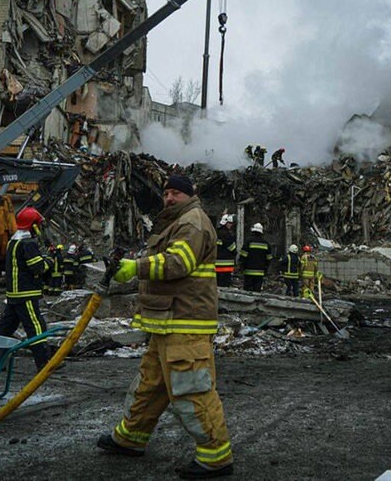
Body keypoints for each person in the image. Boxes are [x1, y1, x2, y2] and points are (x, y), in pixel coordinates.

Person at [97, 175, 233, 479]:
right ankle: (130, 439)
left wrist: (136, 268)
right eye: (167, 193)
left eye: (176, 193)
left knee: (192, 390)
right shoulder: (175, 222)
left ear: (190, 195)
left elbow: (177, 263)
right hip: (166, 322)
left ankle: (216, 457)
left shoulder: (193, 222)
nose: (169, 197)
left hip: (185, 323)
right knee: (150, 385)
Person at [0, 207, 52, 371]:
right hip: (26, 293)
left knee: (4, 328)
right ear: (33, 226)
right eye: (38, 226)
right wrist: (49, 261)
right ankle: (44, 363)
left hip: (14, 293)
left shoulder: (14, 241)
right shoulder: (28, 243)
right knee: (36, 326)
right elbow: (38, 267)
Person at [240, 223, 271, 292]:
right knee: (257, 291)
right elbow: (269, 258)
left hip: (248, 271)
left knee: (247, 292)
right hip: (260, 272)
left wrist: (242, 266)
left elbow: (243, 255)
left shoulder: (248, 241)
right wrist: (265, 268)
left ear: (253, 231)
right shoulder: (266, 243)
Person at [215, 214, 237, 287]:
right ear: (226, 223)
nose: (231, 225)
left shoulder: (216, 232)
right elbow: (232, 248)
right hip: (226, 265)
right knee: (224, 285)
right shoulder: (226, 234)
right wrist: (235, 252)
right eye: (230, 223)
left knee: (217, 284)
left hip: (216, 264)